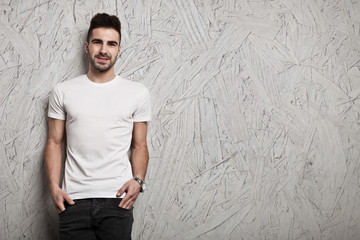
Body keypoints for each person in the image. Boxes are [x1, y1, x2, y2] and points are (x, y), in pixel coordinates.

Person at [44, 13, 151, 240]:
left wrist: (138, 181)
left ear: (119, 49)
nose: (104, 50)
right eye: (97, 42)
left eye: (111, 44)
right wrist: (53, 187)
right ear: (87, 46)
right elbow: (54, 143)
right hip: (73, 201)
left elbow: (140, 145)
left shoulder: (137, 93)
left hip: (118, 201)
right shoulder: (63, 91)